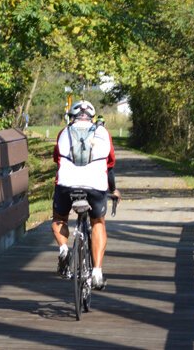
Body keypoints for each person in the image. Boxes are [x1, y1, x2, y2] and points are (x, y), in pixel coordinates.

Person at [51, 100, 120, 290]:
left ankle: (64, 249)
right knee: (98, 222)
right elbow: (110, 165)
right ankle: (97, 272)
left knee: (59, 218)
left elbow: (57, 159)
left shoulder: (64, 132)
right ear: (93, 117)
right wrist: (113, 189)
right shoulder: (103, 133)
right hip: (95, 186)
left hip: (66, 185)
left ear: (72, 117)